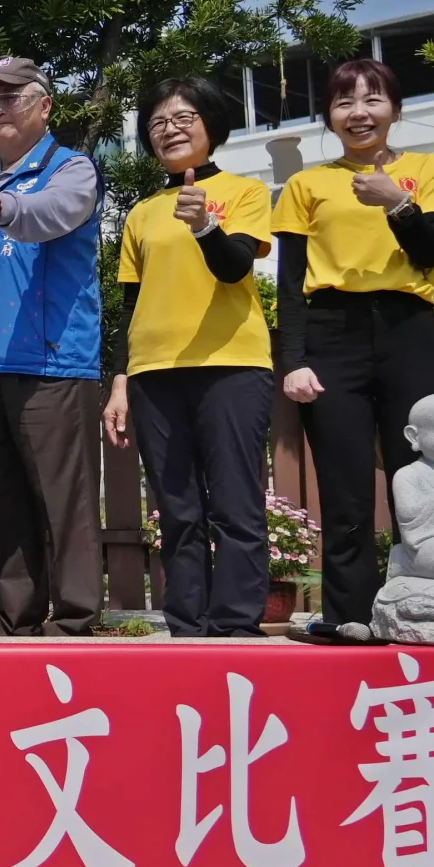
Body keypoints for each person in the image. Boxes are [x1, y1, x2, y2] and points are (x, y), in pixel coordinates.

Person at [274, 57, 434, 643]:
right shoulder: (306, 185)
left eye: (372, 99)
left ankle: (426, 607)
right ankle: (349, 615)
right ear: (328, 116)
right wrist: (293, 360)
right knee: (344, 481)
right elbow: (290, 283)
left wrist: (396, 202)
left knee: (420, 475)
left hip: (409, 327)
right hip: (331, 331)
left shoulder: (431, 169)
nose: (358, 113)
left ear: (396, 110)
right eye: (344, 102)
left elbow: (431, 251)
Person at [103, 77, 275, 637]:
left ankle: (236, 627)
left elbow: (234, 267)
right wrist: (120, 382)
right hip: (154, 372)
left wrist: (205, 226)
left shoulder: (247, 192)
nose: (169, 130)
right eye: (157, 123)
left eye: (183, 118)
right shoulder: (141, 213)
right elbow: (130, 304)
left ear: (211, 126)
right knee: (176, 508)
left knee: (235, 503)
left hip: (232, 365)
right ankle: (186, 625)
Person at [0, 56, 105, 637]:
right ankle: (17, 621)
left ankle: (76, 622)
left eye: (10, 98)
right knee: (0, 502)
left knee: (63, 500)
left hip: (52, 363)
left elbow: (53, 214)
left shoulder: (72, 169)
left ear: (46, 105)